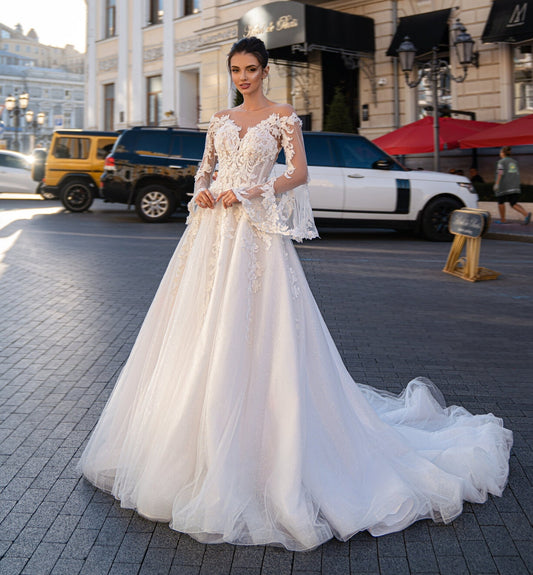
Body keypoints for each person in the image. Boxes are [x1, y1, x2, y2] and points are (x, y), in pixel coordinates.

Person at [79, 37, 513, 552]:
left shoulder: (283, 117)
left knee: (263, 329)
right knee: (199, 326)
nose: (243, 77)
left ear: (265, 70)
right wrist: (202, 189)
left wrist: (246, 191)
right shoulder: (218, 119)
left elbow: (298, 174)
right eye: (236, 70)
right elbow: (204, 169)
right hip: (212, 237)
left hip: (254, 236)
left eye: (251, 69)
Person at [493, 146, 531, 224]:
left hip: (504, 186)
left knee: (501, 202)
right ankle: (526, 214)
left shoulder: (501, 162)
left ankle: (503, 220)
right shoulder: (514, 162)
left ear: (503, 153)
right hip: (514, 186)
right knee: (513, 203)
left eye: (500, 152)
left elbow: (500, 173)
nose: (500, 154)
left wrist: (497, 184)